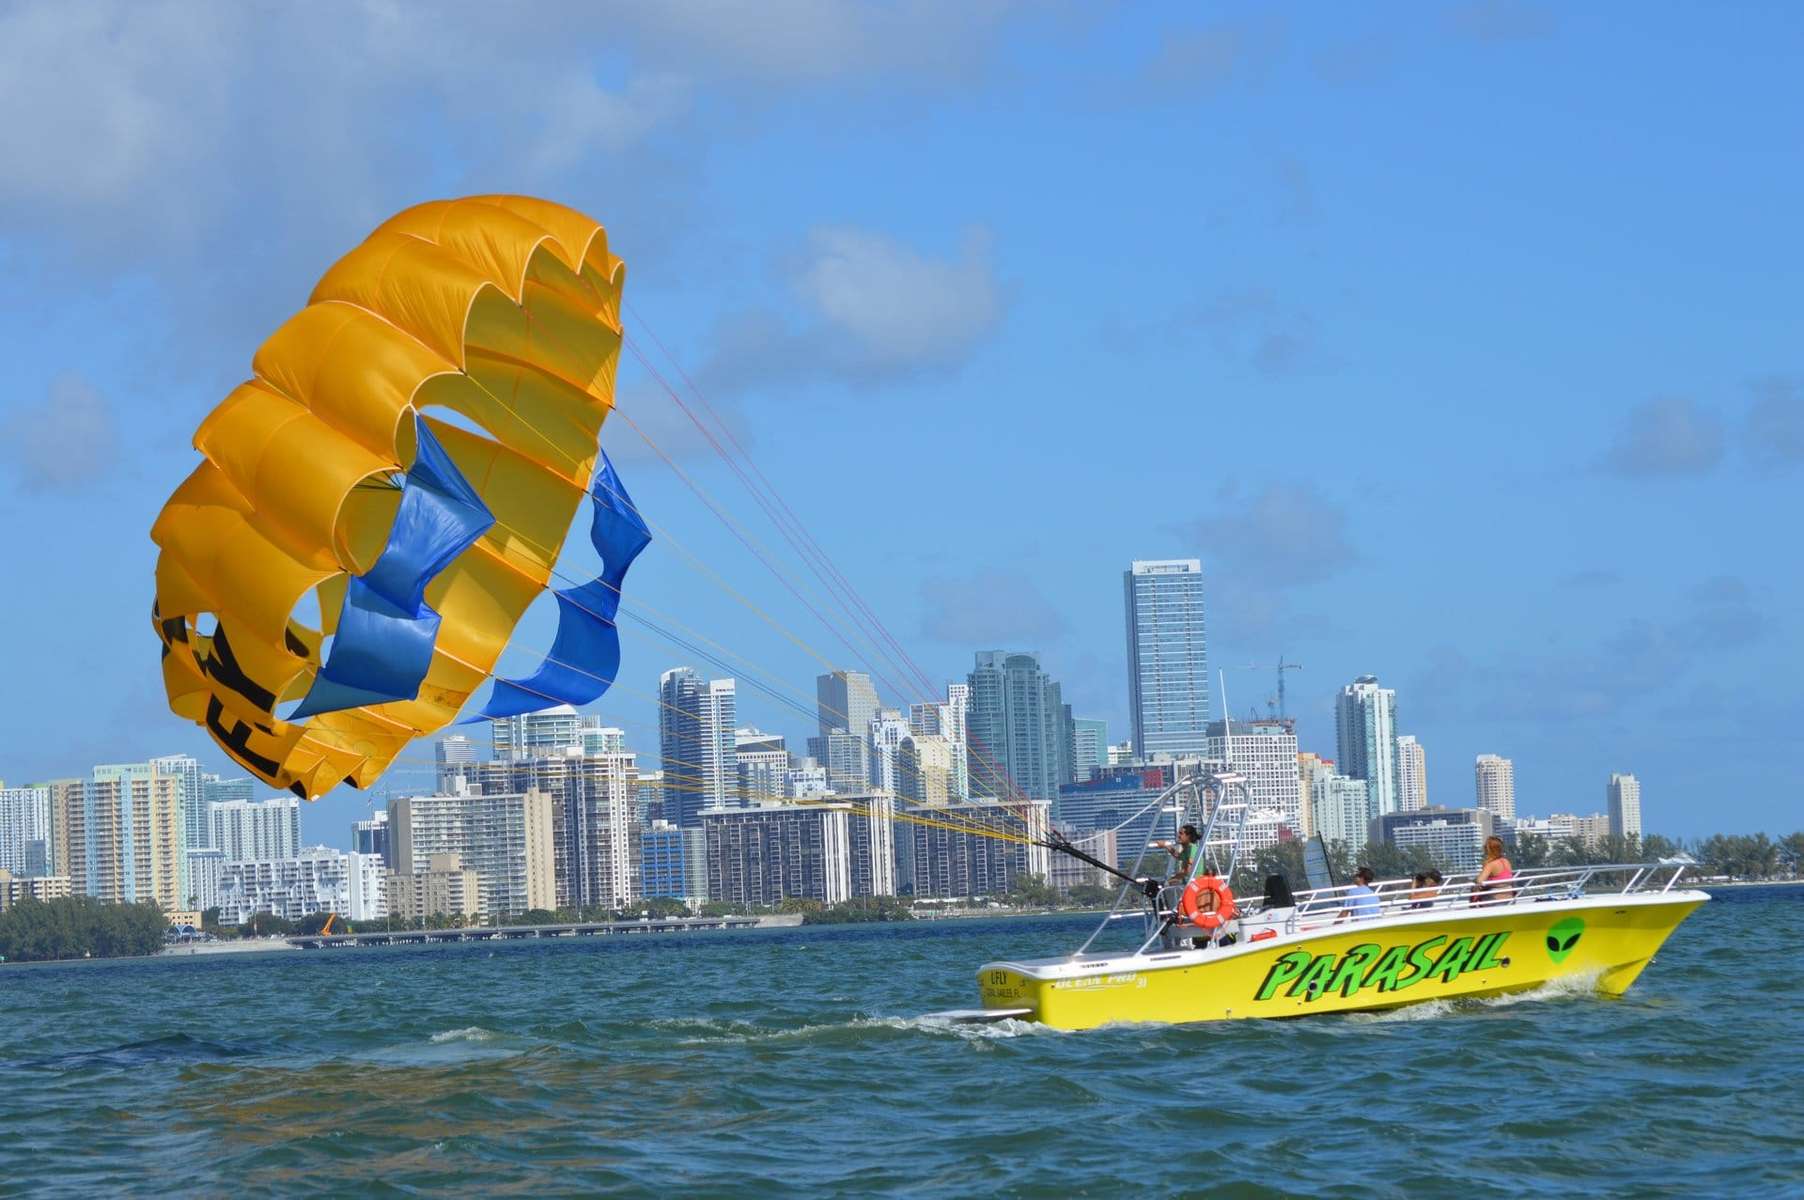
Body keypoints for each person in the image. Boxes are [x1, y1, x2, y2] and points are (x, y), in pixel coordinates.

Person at [1473, 837, 1515, 906]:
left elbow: (1479, 880)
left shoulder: (1491, 865)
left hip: (1496, 899)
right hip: (1509, 897)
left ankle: (1473, 908)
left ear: (1489, 850)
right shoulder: (1506, 861)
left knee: (1475, 891)